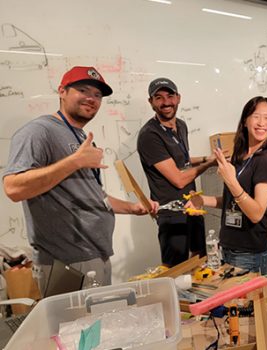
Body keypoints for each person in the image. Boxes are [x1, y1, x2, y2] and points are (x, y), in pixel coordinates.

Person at [3, 66, 158, 291]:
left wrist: (132, 207)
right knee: (72, 326)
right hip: (67, 262)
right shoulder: (39, 131)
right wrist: (74, 161)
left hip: (96, 254)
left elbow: (94, 196)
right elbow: (13, 188)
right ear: (62, 91)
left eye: (97, 95)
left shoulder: (82, 136)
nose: (91, 99)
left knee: (96, 324)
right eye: (83, 90)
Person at [186, 96, 267, 274]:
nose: (262, 123)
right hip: (227, 247)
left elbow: (256, 213)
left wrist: (231, 180)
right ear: (245, 121)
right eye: (256, 116)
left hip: (249, 253)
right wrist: (202, 200)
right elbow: (233, 200)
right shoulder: (240, 156)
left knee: (247, 303)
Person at [137, 78, 215, 267]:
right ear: (151, 102)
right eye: (159, 97)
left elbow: (182, 161)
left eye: (170, 96)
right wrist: (207, 165)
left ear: (178, 98)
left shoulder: (180, 125)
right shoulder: (150, 135)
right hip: (172, 215)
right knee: (177, 272)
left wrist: (208, 158)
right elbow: (179, 179)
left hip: (192, 206)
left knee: (200, 262)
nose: (166, 102)